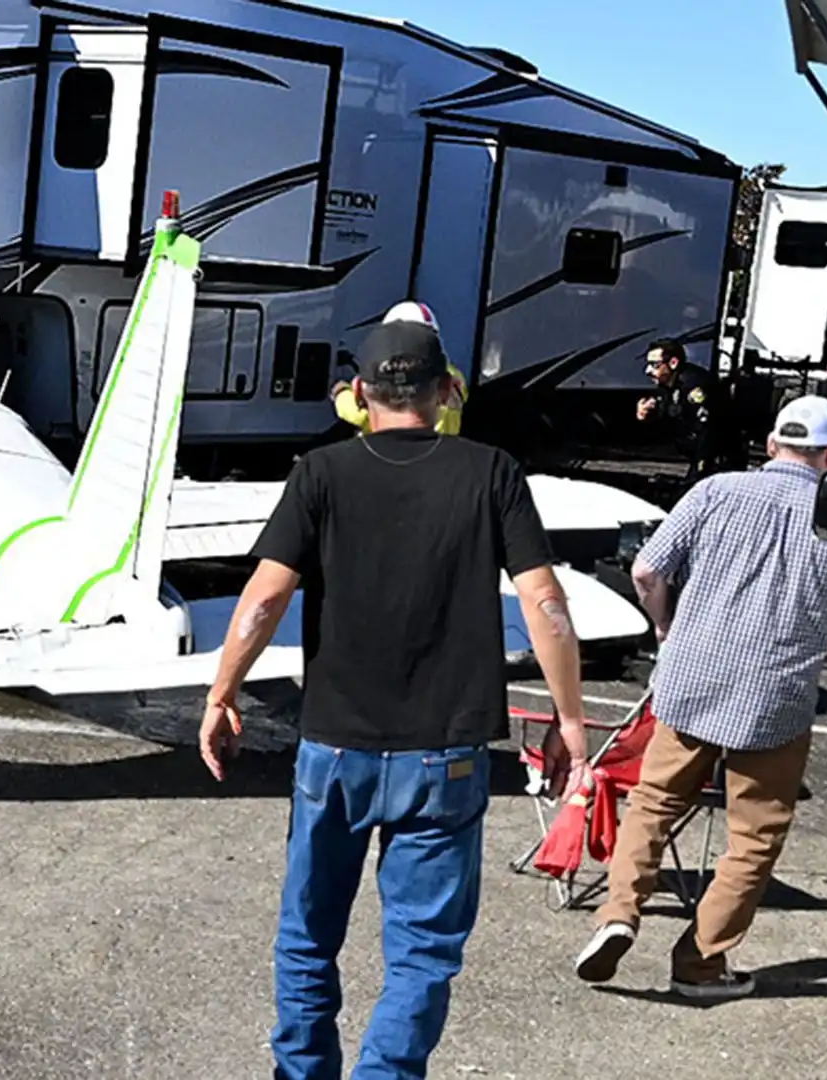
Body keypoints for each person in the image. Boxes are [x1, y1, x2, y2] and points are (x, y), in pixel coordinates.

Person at [199, 319, 589, 1079]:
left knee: (309, 936)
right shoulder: (492, 472)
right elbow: (544, 601)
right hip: (444, 754)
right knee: (422, 953)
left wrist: (223, 691)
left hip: (335, 745)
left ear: (358, 396)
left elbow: (265, 597)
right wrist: (569, 719)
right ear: (447, 393)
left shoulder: (320, 473)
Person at [573, 395, 827, 999]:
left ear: (773, 444)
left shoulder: (715, 490)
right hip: (775, 696)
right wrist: (822, 654)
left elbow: (647, 570)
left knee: (653, 804)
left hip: (691, 679)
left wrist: (667, 629)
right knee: (753, 838)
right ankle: (700, 965)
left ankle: (618, 913)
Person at [334, 301, 467, 436]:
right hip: (443, 449)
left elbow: (361, 415)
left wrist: (340, 393)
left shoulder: (389, 374)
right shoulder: (451, 375)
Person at [636, 337, 742, 482]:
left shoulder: (694, 386)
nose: (648, 370)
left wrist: (700, 469)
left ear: (673, 363)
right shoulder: (667, 385)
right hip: (695, 449)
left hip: (719, 454)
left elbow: (708, 431)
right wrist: (648, 414)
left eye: (655, 365)